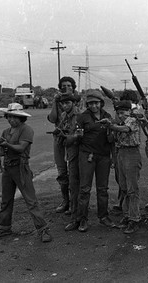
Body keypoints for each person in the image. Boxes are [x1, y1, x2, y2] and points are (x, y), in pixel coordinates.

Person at [0, 103, 52, 243]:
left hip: (20, 168)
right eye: (10, 116)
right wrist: (1, 145)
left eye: (15, 117)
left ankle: (43, 229)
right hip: (8, 168)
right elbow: (2, 152)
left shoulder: (26, 129)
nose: (12, 119)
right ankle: (4, 227)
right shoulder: (6, 131)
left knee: (31, 201)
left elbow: (21, 148)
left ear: (21, 118)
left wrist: (6, 145)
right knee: (6, 200)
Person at [75, 89, 115, 232]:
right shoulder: (82, 117)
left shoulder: (108, 116)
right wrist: (79, 134)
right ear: (87, 104)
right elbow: (77, 135)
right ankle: (82, 219)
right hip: (87, 155)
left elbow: (111, 140)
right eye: (91, 103)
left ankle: (103, 216)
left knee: (103, 189)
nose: (94, 106)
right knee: (85, 188)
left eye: (96, 103)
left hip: (104, 156)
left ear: (101, 103)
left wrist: (110, 128)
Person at [101, 100, 143, 234]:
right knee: (124, 187)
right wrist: (109, 127)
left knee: (132, 189)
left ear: (129, 111)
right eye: (118, 113)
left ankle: (134, 218)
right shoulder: (118, 123)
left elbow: (125, 129)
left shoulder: (132, 120)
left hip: (132, 153)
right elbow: (111, 139)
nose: (121, 115)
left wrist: (111, 125)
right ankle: (127, 215)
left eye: (123, 112)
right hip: (121, 153)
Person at [47, 76, 77, 214]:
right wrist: (55, 101)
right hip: (59, 138)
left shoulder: (77, 100)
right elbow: (53, 118)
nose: (66, 88)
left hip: (72, 139)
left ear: (73, 87)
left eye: (69, 86)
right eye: (63, 86)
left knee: (74, 171)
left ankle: (74, 202)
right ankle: (65, 200)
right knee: (61, 171)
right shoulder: (58, 101)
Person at [55, 93, 83, 232]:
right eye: (63, 103)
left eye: (67, 103)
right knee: (73, 184)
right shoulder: (64, 115)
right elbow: (61, 127)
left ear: (73, 103)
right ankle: (75, 211)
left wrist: (66, 137)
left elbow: (79, 135)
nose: (65, 105)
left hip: (78, 152)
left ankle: (76, 217)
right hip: (70, 152)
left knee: (76, 184)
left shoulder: (78, 115)